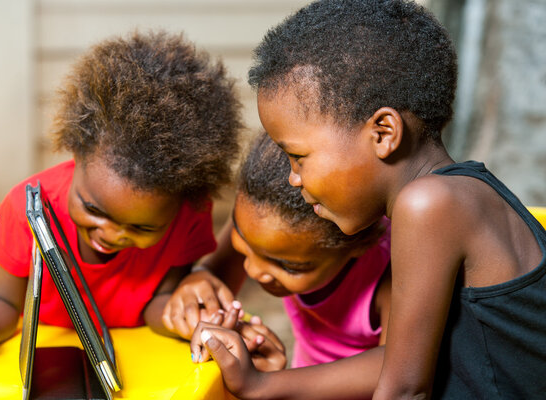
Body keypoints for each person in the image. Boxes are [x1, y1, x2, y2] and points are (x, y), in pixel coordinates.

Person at [194, 0, 546, 399]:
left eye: (298, 157)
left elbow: (404, 391)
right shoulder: (460, 192)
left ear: (382, 133)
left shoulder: (428, 205)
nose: (293, 178)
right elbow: (402, 362)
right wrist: (264, 384)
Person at [0, 30, 242, 364]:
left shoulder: (187, 213)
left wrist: (186, 320)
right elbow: (2, 300)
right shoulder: (27, 209)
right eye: (93, 208)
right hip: (48, 352)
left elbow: (158, 302)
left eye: (142, 228)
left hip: (140, 358)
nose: (111, 234)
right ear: (78, 148)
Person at [167, 132, 391, 398]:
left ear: (357, 247)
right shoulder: (261, 226)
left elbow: (396, 366)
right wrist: (200, 283)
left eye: (288, 266)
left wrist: (266, 384)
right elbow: (215, 279)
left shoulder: (391, 266)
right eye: (243, 241)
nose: (253, 270)